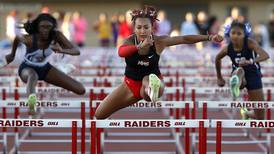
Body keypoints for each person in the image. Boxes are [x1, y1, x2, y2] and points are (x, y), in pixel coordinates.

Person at [95, 6, 223, 119]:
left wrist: (209, 37)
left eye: (146, 27)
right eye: (139, 27)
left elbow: (184, 39)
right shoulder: (129, 41)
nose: (143, 31)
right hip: (130, 85)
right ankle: (149, 88)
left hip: (153, 82)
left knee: (147, 83)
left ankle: (152, 88)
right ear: (134, 29)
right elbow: (121, 52)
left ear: (152, 28)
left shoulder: (159, 42)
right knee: (99, 114)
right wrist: (139, 46)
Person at [4, 13, 86, 115]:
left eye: (48, 27)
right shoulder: (30, 39)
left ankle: (62, 69)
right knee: (33, 76)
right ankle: (32, 105)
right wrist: (12, 55)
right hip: (27, 68)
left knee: (80, 90)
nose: (45, 30)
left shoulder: (56, 35)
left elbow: (76, 51)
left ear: (53, 28)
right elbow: (17, 38)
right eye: (42, 27)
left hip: (45, 69)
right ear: (37, 27)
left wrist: (62, 50)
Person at [215, 21, 269, 120]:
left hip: (253, 75)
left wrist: (251, 61)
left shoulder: (250, 43)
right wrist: (219, 77)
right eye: (233, 33)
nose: (235, 36)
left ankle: (246, 113)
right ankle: (236, 82)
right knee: (240, 70)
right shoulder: (227, 48)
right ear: (229, 34)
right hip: (239, 76)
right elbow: (217, 58)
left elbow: (265, 55)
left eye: (239, 33)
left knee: (260, 117)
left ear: (244, 35)